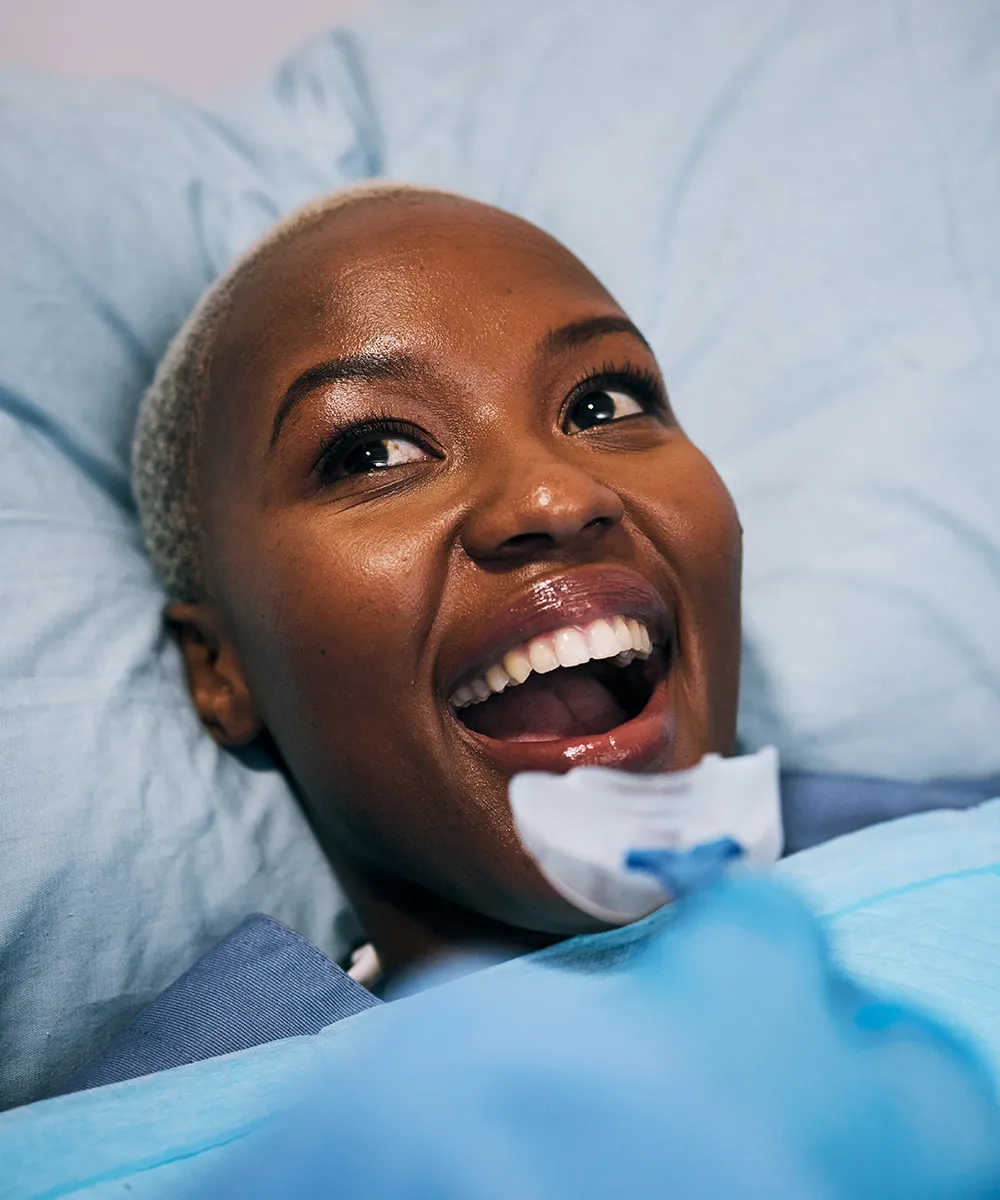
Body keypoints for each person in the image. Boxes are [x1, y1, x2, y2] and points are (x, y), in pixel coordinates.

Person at [65, 181, 743, 1090]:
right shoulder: (156, 1145)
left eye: (602, 405)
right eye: (373, 452)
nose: (555, 497)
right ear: (220, 668)